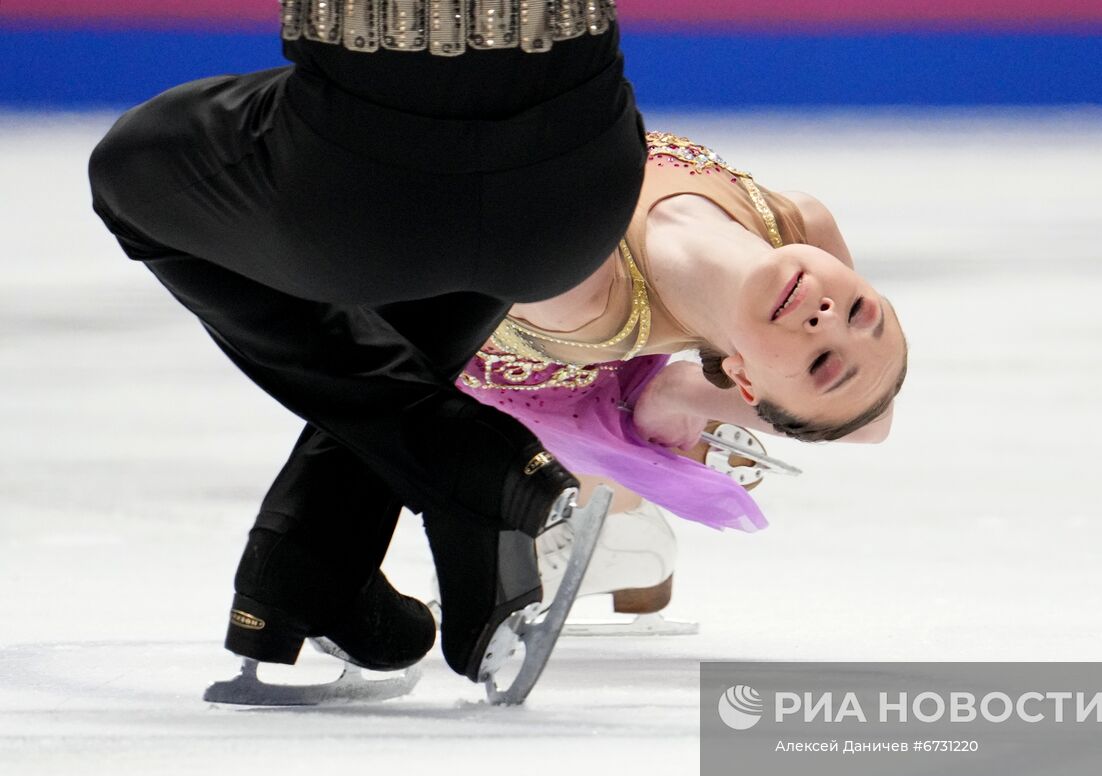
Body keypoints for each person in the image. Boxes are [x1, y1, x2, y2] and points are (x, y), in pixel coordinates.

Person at [87, 1, 649, 686]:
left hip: (360, 204)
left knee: (128, 172)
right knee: (470, 213)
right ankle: (311, 563)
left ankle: (465, 460)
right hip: (573, 203)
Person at [256, 130, 908, 628]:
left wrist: (699, 396)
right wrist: (707, 396)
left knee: (558, 425)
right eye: (861, 312)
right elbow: (869, 420)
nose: (830, 321)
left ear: (745, 375)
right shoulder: (801, 222)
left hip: (489, 358)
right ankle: (631, 480)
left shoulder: (577, 291)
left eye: (823, 362)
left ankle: (609, 503)